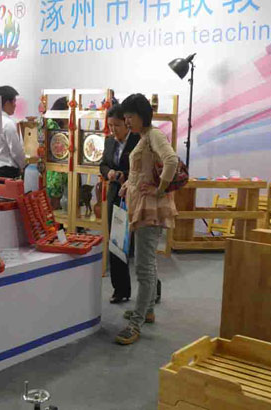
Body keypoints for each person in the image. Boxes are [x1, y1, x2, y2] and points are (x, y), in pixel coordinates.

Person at [115, 93, 178, 345]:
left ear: (142, 115)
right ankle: (148, 308)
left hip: (150, 210)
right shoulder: (144, 137)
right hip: (141, 206)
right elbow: (140, 172)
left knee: (143, 266)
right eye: (125, 117)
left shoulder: (154, 135)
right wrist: (127, 186)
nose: (127, 121)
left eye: (130, 116)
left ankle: (136, 322)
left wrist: (160, 190)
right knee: (147, 262)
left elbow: (171, 160)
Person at [100, 104, 139, 304]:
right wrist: (109, 173)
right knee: (116, 243)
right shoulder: (109, 142)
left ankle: (152, 288)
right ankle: (120, 289)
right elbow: (103, 164)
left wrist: (125, 175)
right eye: (110, 125)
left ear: (126, 123)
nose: (113, 129)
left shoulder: (138, 141)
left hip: (134, 196)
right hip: (115, 195)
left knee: (139, 247)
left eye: (116, 125)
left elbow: (142, 169)